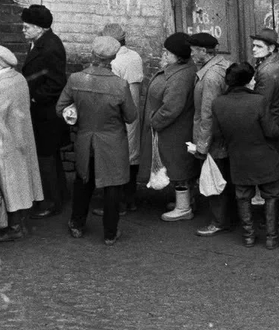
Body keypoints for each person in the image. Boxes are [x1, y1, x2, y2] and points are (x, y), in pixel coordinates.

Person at [56, 36, 137, 245]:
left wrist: (75, 116)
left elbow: (60, 108)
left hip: (85, 139)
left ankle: (77, 224)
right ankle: (110, 233)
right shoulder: (119, 85)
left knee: (83, 181)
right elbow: (130, 116)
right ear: (113, 57)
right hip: (112, 142)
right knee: (112, 186)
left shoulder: (76, 79)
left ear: (92, 54)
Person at [210, 62, 279, 249]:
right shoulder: (258, 101)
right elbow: (270, 131)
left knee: (243, 195)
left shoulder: (218, 103)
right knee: (271, 194)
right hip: (264, 156)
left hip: (238, 157)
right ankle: (271, 237)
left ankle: (248, 237)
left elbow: (218, 134)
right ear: (247, 81)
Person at [0, 45, 43, 242]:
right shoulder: (18, 79)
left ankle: (14, 227)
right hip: (20, 138)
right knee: (19, 183)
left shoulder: (2, 85)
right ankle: (18, 222)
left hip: (5, 142)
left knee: (6, 185)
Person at [20, 4, 69, 219]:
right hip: (43, 112)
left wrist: (34, 97)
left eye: (27, 27)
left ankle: (51, 202)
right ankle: (59, 195)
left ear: (40, 28)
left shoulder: (50, 47)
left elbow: (57, 82)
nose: (23, 30)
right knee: (50, 156)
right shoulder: (40, 43)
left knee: (46, 157)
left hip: (46, 113)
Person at [146, 33, 199, 221]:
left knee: (178, 169)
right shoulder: (182, 70)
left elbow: (170, 108)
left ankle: (183, 208)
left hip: (175, 129)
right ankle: (187, 201)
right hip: (177, 128)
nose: (164, 54)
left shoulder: (179, 77)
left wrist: (154, 122)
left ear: (178, 55)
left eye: (167, 52)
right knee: (181, 166)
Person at [189, 32, 233, 237]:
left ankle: (219, 221)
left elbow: (208, 113)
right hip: (223, 133)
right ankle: (227, 218)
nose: (191, 54)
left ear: (203, 52)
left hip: (212, 137)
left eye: (193, 51)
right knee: (224, 176)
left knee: (214, 177)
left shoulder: (211, 76)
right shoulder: (222, 65)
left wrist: (202, 146)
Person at [250, 27, 279, 226]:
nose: (253, 49)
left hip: (271, 122)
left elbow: (261, 103)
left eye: (258, 46)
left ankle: (277, 214)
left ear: (270, 48)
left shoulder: (267, 71)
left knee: (272, 169)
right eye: (253, 45)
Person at [99, 23, 144, 214]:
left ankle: (118, 204)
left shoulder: (114, 63)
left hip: (118, 115)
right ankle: (130, 199)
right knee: (132, 155)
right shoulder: (135, 57)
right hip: (134, 112)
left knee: (116, 160)